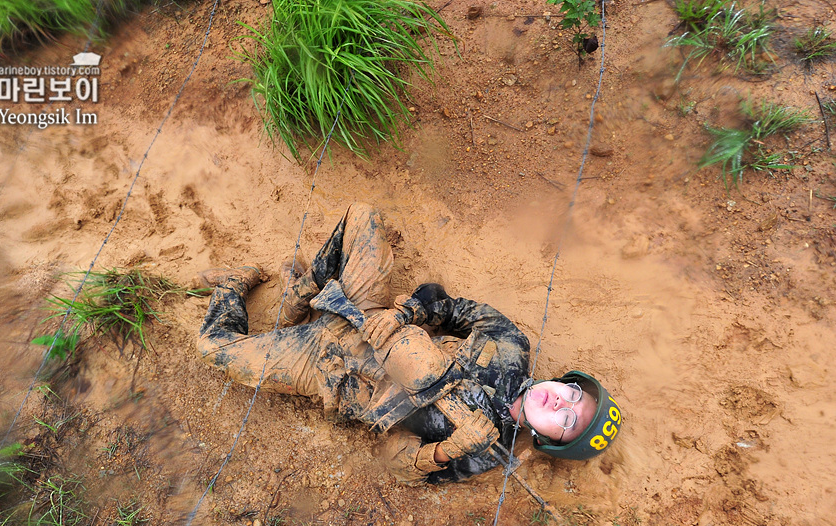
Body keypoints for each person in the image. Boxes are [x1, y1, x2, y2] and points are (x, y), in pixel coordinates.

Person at [195, 203, 622, 485]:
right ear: (564, 381)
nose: (559, 404)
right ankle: (302, 294)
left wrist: (447, 451)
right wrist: (404, 315)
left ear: (549, 441)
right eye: (571, 394)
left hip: (327, 369)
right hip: (369, 313)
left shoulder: (486, 450)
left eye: (567, 421)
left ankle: (233, 286)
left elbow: (396, 461)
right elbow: (450, 307)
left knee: (213, 350)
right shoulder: (511, 346)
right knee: (362, 215)